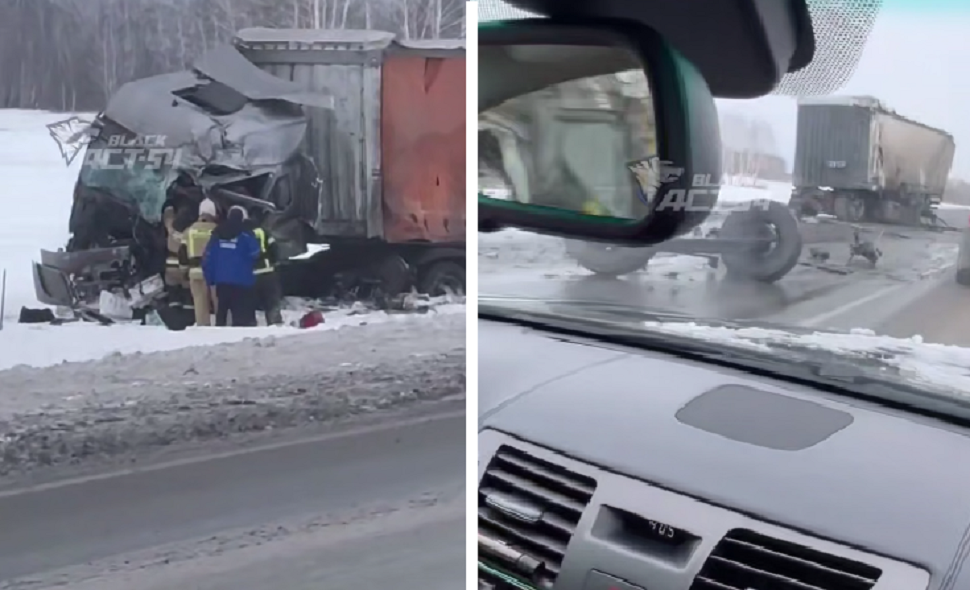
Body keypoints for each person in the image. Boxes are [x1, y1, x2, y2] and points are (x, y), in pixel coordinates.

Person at [202, 205, 260, 327]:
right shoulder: (245, 234)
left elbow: (208, 257)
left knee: (221, 310)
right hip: (242, 281)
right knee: (240, 315)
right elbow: (255, 253)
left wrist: (209, 278)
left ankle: (219, 332)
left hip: (221, 280)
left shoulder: (217, 234)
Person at [178, 198, 219, 326]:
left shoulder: (190, 231)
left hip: (195, 271)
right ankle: (222, 327)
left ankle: (203, 330)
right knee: (219, 302)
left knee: (200, 304)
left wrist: (184, 270)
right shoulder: (218, 230)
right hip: (214, 273)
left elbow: (182, 253)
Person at [244, 216, 284, 325]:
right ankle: (275, 324)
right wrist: (275, 262)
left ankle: (250, 326)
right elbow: (274, 248)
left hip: (249, 277)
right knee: (271, 303)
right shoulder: (262, 231)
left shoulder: (239, 234)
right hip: (267, 273)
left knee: (248, 307)